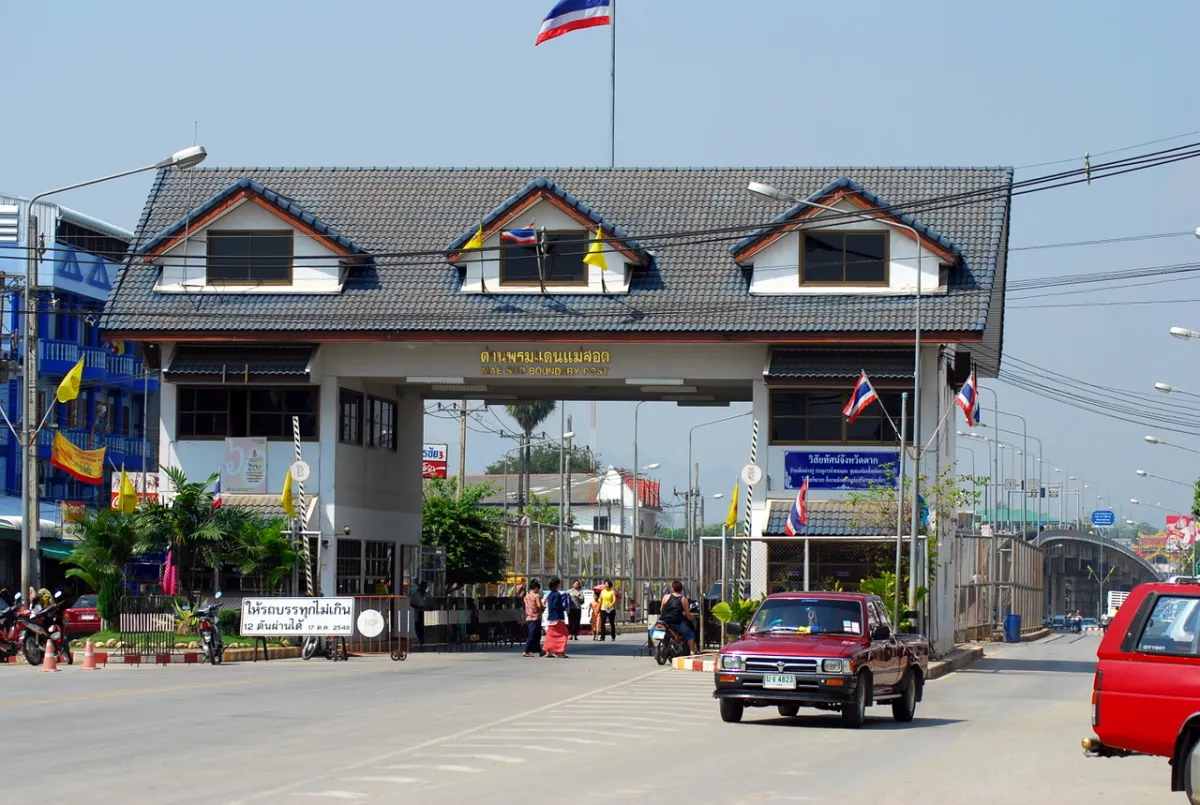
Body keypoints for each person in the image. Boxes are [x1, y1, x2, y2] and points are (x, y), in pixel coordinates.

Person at [658, 580, 696, 654]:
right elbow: (688, 615)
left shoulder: (666, 597)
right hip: (675, 623)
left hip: (663, 621)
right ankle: (692, 651)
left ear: (672, 589)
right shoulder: (684, 600)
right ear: (681, 590)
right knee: (690, 634)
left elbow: (661, 609)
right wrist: (692, 617)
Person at [543, 578, 570, 658]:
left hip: (550, 617)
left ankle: (548, 651)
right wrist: (563, 607)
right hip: (557, 617)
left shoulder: (550, 594)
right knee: (563, 634)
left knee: (550, 635)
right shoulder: (557, 594)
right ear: (557, 585)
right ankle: (560, 651)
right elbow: (556, 605)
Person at [523, 579, 544, 657]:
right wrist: (543, 606)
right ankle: (526, 651)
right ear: (536, 588)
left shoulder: (526, 596)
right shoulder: (536, 596)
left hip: (528, 617)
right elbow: (539, 606)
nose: (538, 590)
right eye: (538, 588)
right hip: (535, 617)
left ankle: (539, 650)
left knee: (535, 635)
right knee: (533, 635)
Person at [409, 581, 429, 645]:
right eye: (423, 586)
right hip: (418, 613)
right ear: (420, 586)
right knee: (418, 627)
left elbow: (431, 603)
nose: (424, 588)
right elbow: (411, 604)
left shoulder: (428, 595)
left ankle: (423, 640)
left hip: (425, 614)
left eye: (425, 587)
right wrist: (417, 606)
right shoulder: (415, 595)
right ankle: (420, 639)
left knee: (424, 628)